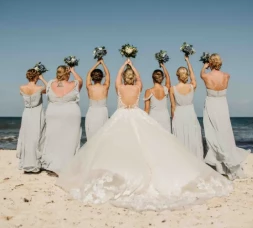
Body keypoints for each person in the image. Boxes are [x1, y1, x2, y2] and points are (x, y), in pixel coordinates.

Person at [57, 58, 232, 211]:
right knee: (143, 145)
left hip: (121, 116)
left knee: (119, 145)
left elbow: (115, 78)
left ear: (124, 79)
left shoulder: (119, 87)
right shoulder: (139, 87)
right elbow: (138, 78)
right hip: (136, 114)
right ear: (134, 79)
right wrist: (132, 66)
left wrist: (124, 65)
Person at [201, 53, 250, 180]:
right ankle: (227, 164)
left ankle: (219, 165)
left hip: (211, 106)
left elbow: (202, 74)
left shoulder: (205, 75)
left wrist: (204, 67)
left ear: (210, 63)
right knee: (225, 132)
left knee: (213, 134)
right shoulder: (227, 76)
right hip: (222, 105)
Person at [41, 66, 83, 175]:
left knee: (53, 138)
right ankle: (67, 165)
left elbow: (52, 84)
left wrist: (59, 77)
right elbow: (80, 80)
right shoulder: (74, 84)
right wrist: (73, 71)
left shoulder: (51, 84)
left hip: (53, 113)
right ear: (67, 74)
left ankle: (53, 165)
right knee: (70, 139)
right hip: (71, 114)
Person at [170, 55, 203, 159]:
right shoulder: (192, 86)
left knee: (180, 137)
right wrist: (188, 61)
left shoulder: (172, 89)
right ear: (186, 75)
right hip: (190, 114)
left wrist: (173, 119)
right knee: (193, 136)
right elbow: (193, 77)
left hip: (179, 114)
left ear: (177, 75)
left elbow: (172, 106)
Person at [17, 69, 47, 173]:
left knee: (27, 137)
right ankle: (35, 163)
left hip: (27, 113)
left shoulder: (22, 87)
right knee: (37, 137)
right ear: (36, 77)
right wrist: (42, 78)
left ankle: (26, 163)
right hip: (37, 113)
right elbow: (49, 89)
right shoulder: (39, 88)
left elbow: (22, 94)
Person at [85, 59, 110, 140]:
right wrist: (102, 63)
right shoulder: (105, 87)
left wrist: (97, 63)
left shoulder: (89, 87)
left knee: (91, 135)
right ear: (102, 77)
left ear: (92, 77)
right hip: (102, 112)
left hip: (92, 112)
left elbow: (88, 73)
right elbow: (107, 74)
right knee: (102, 135)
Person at [144, 63, 171, 132]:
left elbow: (146, 109)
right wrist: (163, 66)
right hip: (165, 116)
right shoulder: (166, 89)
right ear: (162, 78)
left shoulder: (148, 91)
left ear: (153, 79)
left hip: (153, 117)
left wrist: (143, 121)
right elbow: (168, 77)